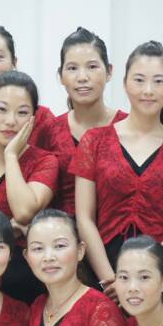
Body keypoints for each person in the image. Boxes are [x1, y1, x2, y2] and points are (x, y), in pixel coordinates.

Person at [72, 41, 163, 321]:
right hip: (103, 270)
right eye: (139, 80)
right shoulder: (95, 141)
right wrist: (111, 280)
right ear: (125, 83)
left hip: (162, 272)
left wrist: (149, 272)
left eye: (158, 81)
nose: (148, 90)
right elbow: (84, 218)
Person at [0, 71, 57, 305]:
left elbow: (24, 211)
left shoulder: (45, 161)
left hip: (23, 277)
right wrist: (6, 228)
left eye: (22, 112)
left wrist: (11, 155)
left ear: (33, 119)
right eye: (1, 109)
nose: (11, 121)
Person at [42, 27, 126, 218]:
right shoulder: (48, 131)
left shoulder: (128, 126)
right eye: (72, 68)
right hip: (61, 233)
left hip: (116, 233)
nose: (82, 77)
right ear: (61, 76)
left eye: (92, 67)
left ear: (109, 71)